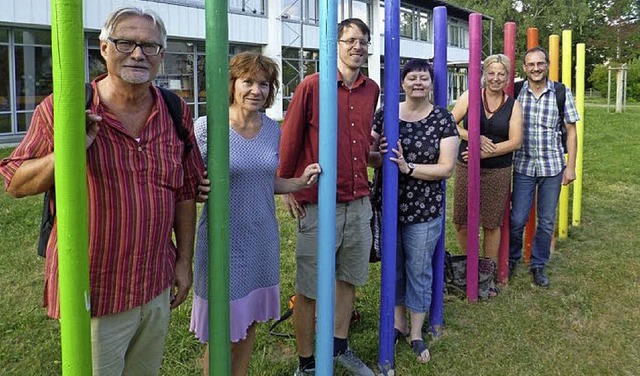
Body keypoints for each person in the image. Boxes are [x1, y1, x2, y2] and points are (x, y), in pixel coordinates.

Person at [0, 7, 203, 375]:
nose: (138, 54)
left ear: (161, 54)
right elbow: (14, 181)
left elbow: (185, 190)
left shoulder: (175, 110)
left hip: (154, 280)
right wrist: (70, 150)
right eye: (126, 42)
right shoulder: (68, 107)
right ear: (104, 47)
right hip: (95, 291)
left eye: (150, 46)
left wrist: (184, 261)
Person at [189, 52, 321, 376]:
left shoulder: (272, 129)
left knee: (248, 325)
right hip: (223, 240)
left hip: (261, 237)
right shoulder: (208, 127)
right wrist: (194, 188)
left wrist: (298, 183)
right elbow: (187, 179)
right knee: (223, 333)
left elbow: (265, 180)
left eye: (264, 84)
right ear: (233, 84)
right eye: (248, 81)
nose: (256, 90)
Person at [278, 18, 380, 376]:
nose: (357, 46)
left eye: (363, 41)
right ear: (335, 44)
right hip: (321, 203)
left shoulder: (372, 89)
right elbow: (290, 136)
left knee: (348, 278)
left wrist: (373, 151)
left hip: (358, 200)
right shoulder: (313, 85)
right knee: (309, 286)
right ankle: (307, 363)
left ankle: (338, 346)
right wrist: (287, 184)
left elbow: (361, 139)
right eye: (350, 40)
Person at [371, 58, 458, 364]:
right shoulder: (385, 115)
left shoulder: (443, 119)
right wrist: (375, 155)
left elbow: (446, 168)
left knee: (418, 270)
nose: (418, 83)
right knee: (393, 267)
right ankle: (398, 323)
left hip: (424, 210)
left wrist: (408, 168)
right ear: (402, 83)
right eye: (412, 78)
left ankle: (417, 332)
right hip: (389, 205)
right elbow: (371, 157)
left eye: (424, 78)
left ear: (431, 84)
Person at [509, 46, 579, 288]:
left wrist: (570, 167)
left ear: (547, 65)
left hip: (552, 167)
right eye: (531, 64)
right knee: (517, 218)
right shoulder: (517, 91)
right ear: (525, 68)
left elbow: (571, 131)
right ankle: (512, 257)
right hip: (523, 166)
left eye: (540, 64)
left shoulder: (560, 92)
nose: (536, 68)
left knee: (546, 220)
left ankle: (538, 264)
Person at [451, 54, 522, 269]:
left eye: (501, 74)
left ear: (508, 78)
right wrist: (474, 138)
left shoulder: (513, 105)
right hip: (466, 167)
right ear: (484, 75)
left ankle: (486, 271)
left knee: (492, 223)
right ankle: (469, 265)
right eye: (491, 73)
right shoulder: (471, 96)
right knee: (461, 221)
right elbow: (450, 124)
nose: (496, 78)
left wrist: (484, 153)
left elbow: (516, 141)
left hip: (497, 171)